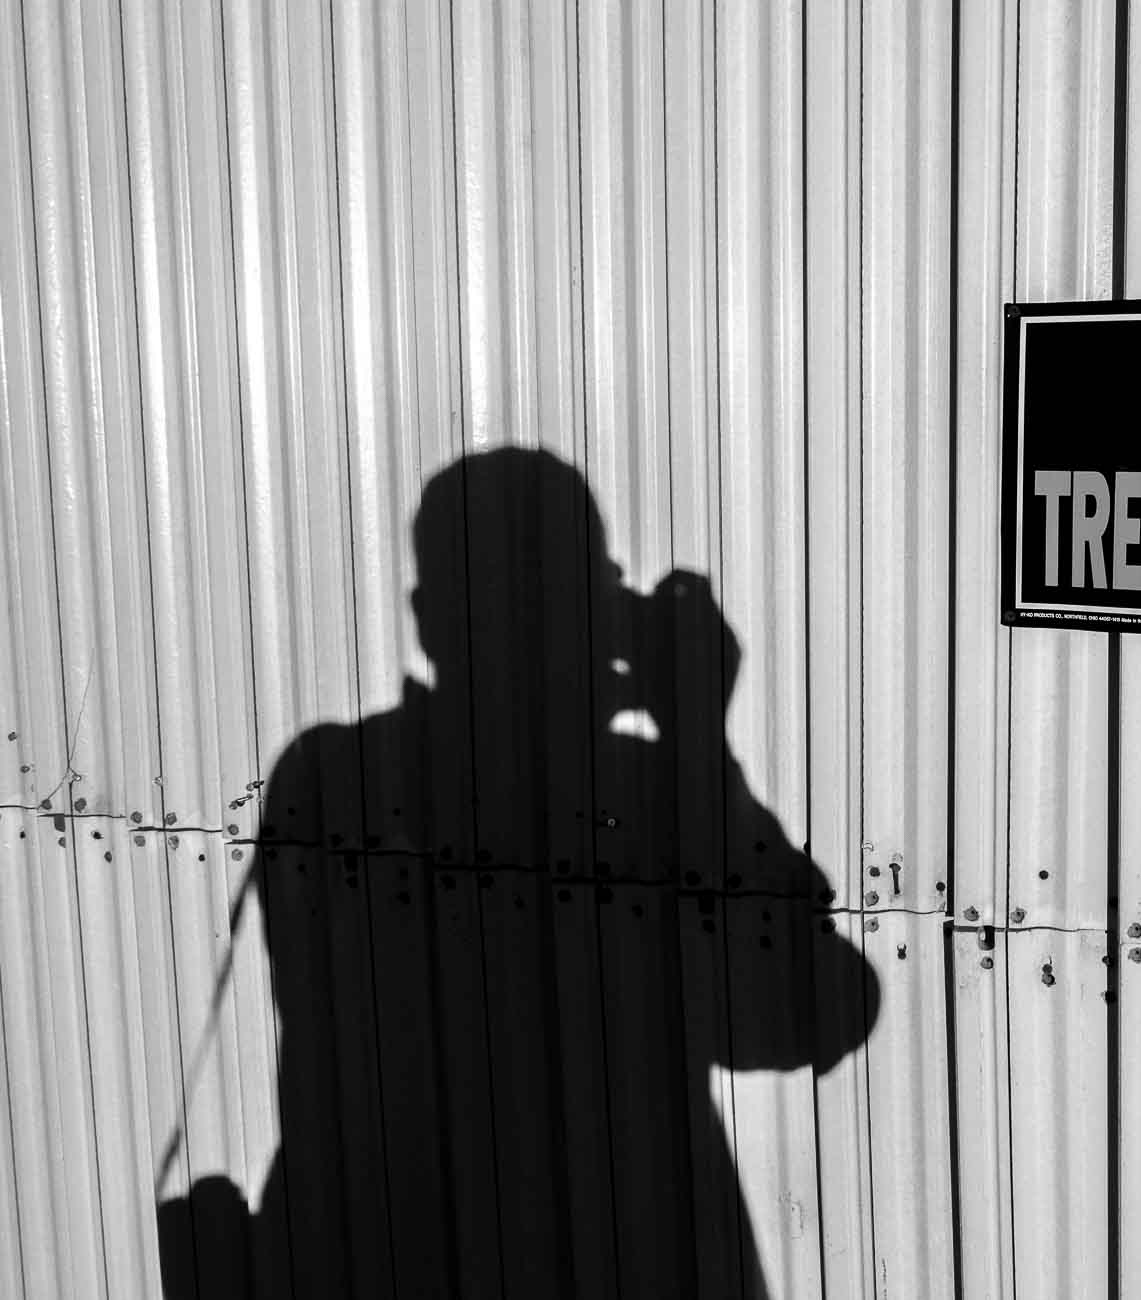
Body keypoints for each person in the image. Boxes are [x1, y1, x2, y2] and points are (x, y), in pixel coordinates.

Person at [157, 448, 877, 1298]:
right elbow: (813, 1010)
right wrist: (696, 740)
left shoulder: (327, 777)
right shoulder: (640, 799)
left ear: (428, 619)